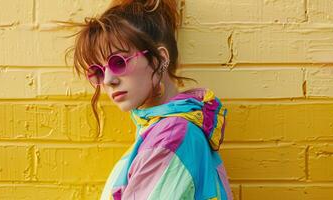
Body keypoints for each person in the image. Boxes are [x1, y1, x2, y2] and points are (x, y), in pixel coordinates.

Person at [71, 0, 232, 199]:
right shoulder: (160, 131)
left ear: (160, 59)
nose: (108, 80)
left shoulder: (171, 137)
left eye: (119, 62)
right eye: (98, 71)